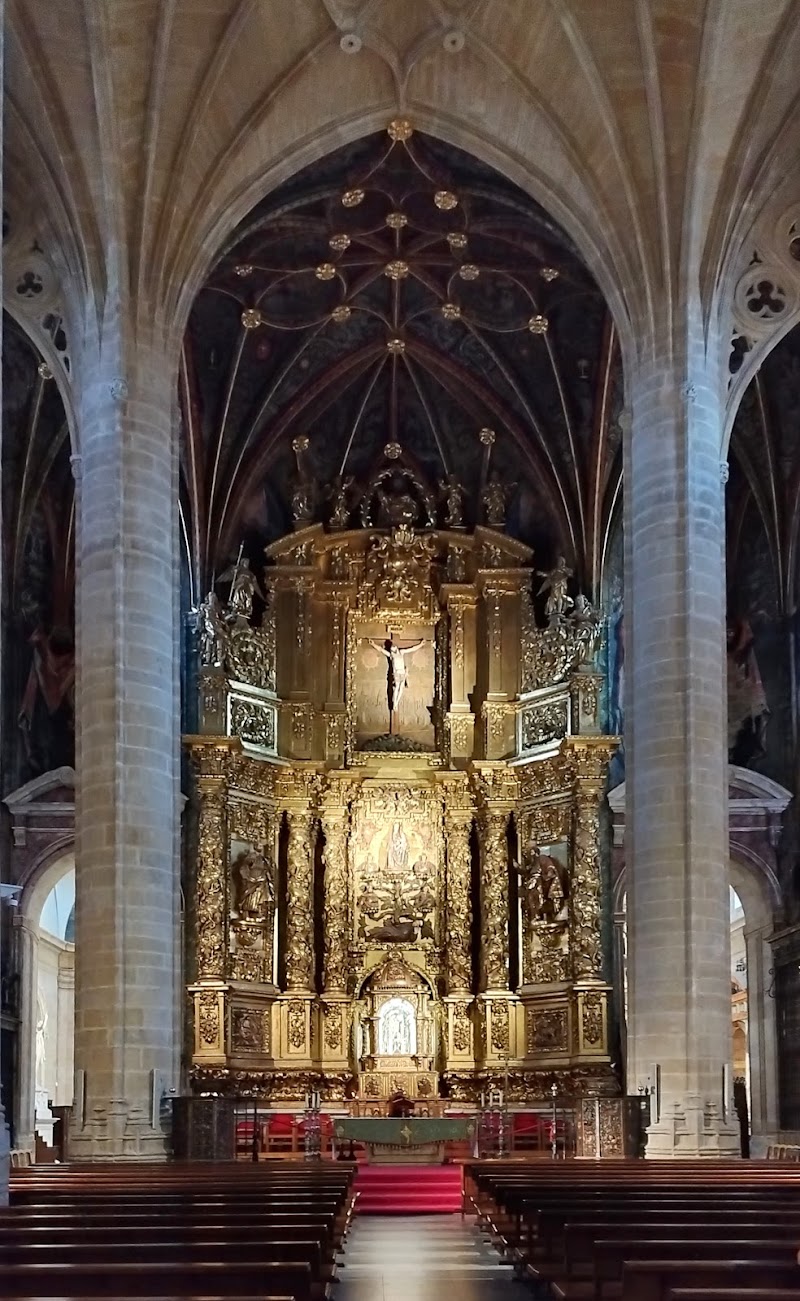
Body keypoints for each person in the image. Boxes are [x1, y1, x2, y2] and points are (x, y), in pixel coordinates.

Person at [369, 636, 425, 714]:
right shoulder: (391, 655)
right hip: (397, 673)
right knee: (397, 688)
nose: (393, 647)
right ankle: (394, 703)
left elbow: (412, 649)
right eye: (392, 648)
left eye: (394, 647)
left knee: (401, 688)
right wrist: (373, 644)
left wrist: (421, 645)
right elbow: (381, 650)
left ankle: (396, 703)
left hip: (403, 673)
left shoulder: (401, 652)